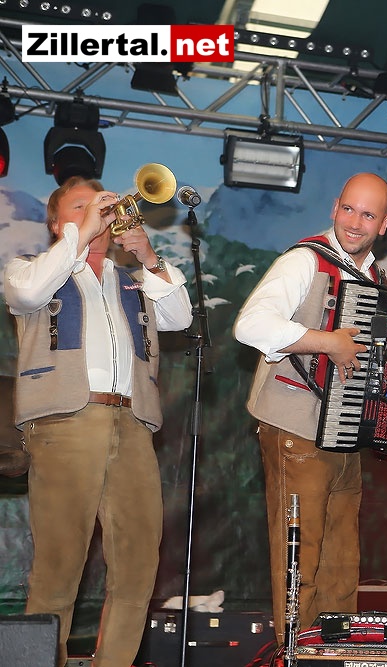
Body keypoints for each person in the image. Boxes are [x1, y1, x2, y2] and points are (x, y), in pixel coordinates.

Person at [233, 172, 387, 644]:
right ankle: (294, 654)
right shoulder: (304, 260)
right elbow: (250, 325)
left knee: (340, 564)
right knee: (299, 562)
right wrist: (327, 341)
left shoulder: (376, 278)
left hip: (344, 434)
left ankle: (332, 652)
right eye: (349, 209)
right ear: (335, 207)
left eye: (368, 215)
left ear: (385, 224)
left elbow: (378, 370)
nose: (355, 222)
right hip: (295, 428)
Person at [3, 175, 193, 667]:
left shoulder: (131, 278)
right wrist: (80, 233)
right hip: (64, 422)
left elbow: (180, 318)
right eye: (80, 207)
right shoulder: (31, 269)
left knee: (137, 567)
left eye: (101, 207)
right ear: (56, 223)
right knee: (59, 567)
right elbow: (26, 294)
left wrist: (149, 258)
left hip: (132, 423)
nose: (97, 214)